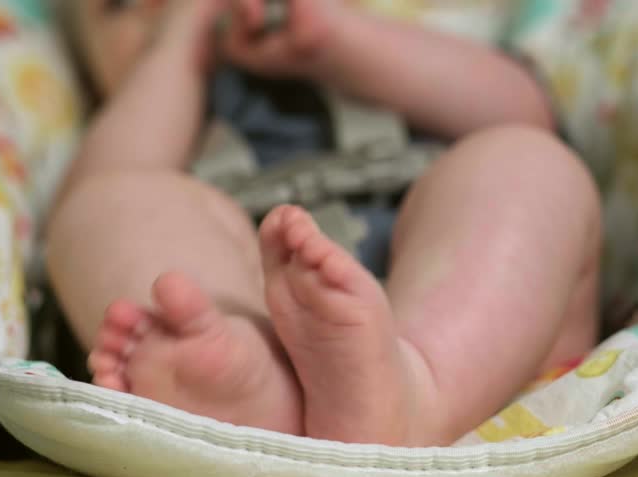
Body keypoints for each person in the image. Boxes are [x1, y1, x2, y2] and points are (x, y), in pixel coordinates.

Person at [48, 0, 601, 447]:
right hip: (250, 313)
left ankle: (414, 395)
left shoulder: (386, 50)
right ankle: (261, 396)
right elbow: (98, 189)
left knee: (526, 160)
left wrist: (336, 39)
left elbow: (525, 109)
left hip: (470, 317)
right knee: (104, 207)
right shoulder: (154, 125)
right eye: (119, 5)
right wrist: (174, 53)